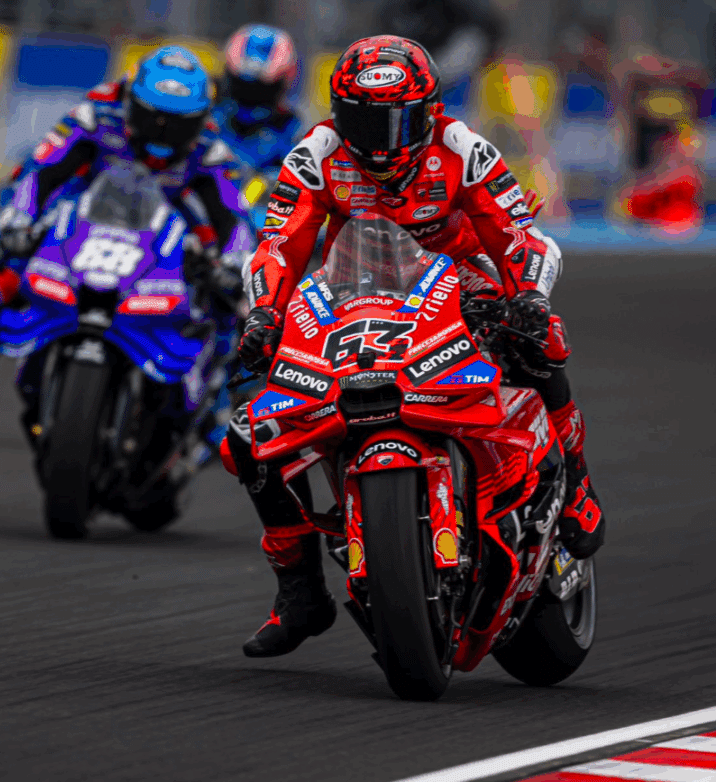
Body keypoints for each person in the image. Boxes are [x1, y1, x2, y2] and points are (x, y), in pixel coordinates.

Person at [227, 35, 606, 658]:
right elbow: (277, 244)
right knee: (247, 434)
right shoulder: (315, 154)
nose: (377, 138)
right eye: (360, 119)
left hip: (463, 276)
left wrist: (529, 300)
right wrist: (264, 315)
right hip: (357, 290)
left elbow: (520, 236)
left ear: (428, 110)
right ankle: (299, 589)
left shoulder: (464, 149)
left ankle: (580, 489)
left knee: (540, 344)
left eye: (394, 119)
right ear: (336, 113)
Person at [0, 46, 252, 436]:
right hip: (85, 217)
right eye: (152, 118)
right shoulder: (96, 115)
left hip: (171, 236)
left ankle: (212, 414)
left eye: (178, 125)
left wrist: (234, 263)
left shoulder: (208, 147)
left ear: (199, 120)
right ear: (131, 100)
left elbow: (237, 216)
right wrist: (20, 219)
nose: (162, 134)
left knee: (230, 302)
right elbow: (41, 169)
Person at [211, 24, 303, 182]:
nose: (249, 97)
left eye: (260, 90)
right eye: (242, 87)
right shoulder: (208, 116)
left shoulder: (290, 129)